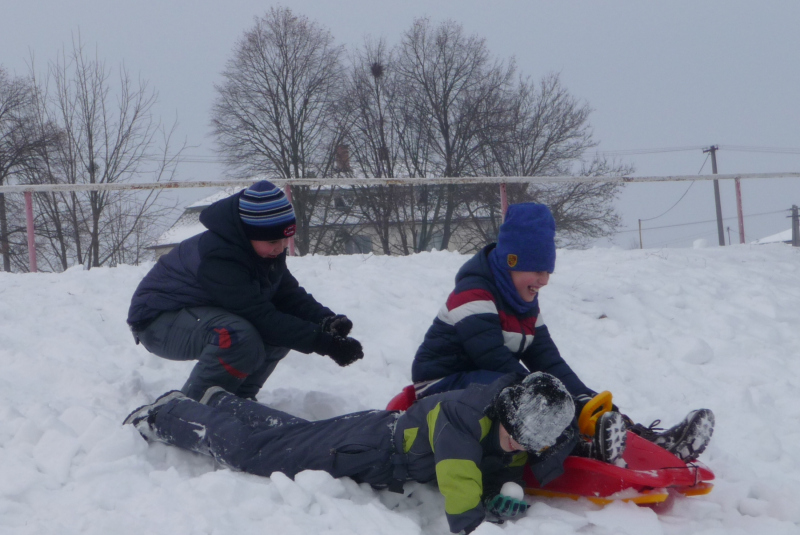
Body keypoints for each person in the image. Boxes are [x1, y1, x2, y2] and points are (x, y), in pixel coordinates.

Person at [411, 202, 714, 463]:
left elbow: (548, 360)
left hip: (489, 380)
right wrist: (559, 402)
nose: (543, 280)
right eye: (536, 270)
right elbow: (491, 359)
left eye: (547, 272)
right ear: (510, 262)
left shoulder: (524, 302)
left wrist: (585, 400)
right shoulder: (474, 293)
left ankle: (646, 442)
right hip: (442, 387)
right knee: (530, 395)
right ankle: (580, 448)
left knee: (558, 392)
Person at [124, 372, 578, 534]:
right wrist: (480, 521)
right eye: (516, 435)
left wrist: (508, 486)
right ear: (507, 411)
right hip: (368, 450)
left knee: (293, 435)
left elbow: (501, 463)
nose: (519, 447)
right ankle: (166, 414)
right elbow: (462, 496)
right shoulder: (464, 416)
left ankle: (223, 404)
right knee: (253, 453)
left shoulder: (511, 424)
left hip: (375, 435)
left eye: (529, 444)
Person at [127, 180, 364, 401]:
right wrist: (327, 344)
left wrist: (325, 320)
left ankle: (240, 400)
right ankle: (193, 409)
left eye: (285, 240)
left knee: (282, 331)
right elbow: (259, 316)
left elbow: (286, 294)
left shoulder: (262, 251)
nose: (281, 248)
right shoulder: (220, 257)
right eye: (273, 242)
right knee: (239, 335)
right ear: (247, 234)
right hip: (158, 321)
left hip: (199, 310)